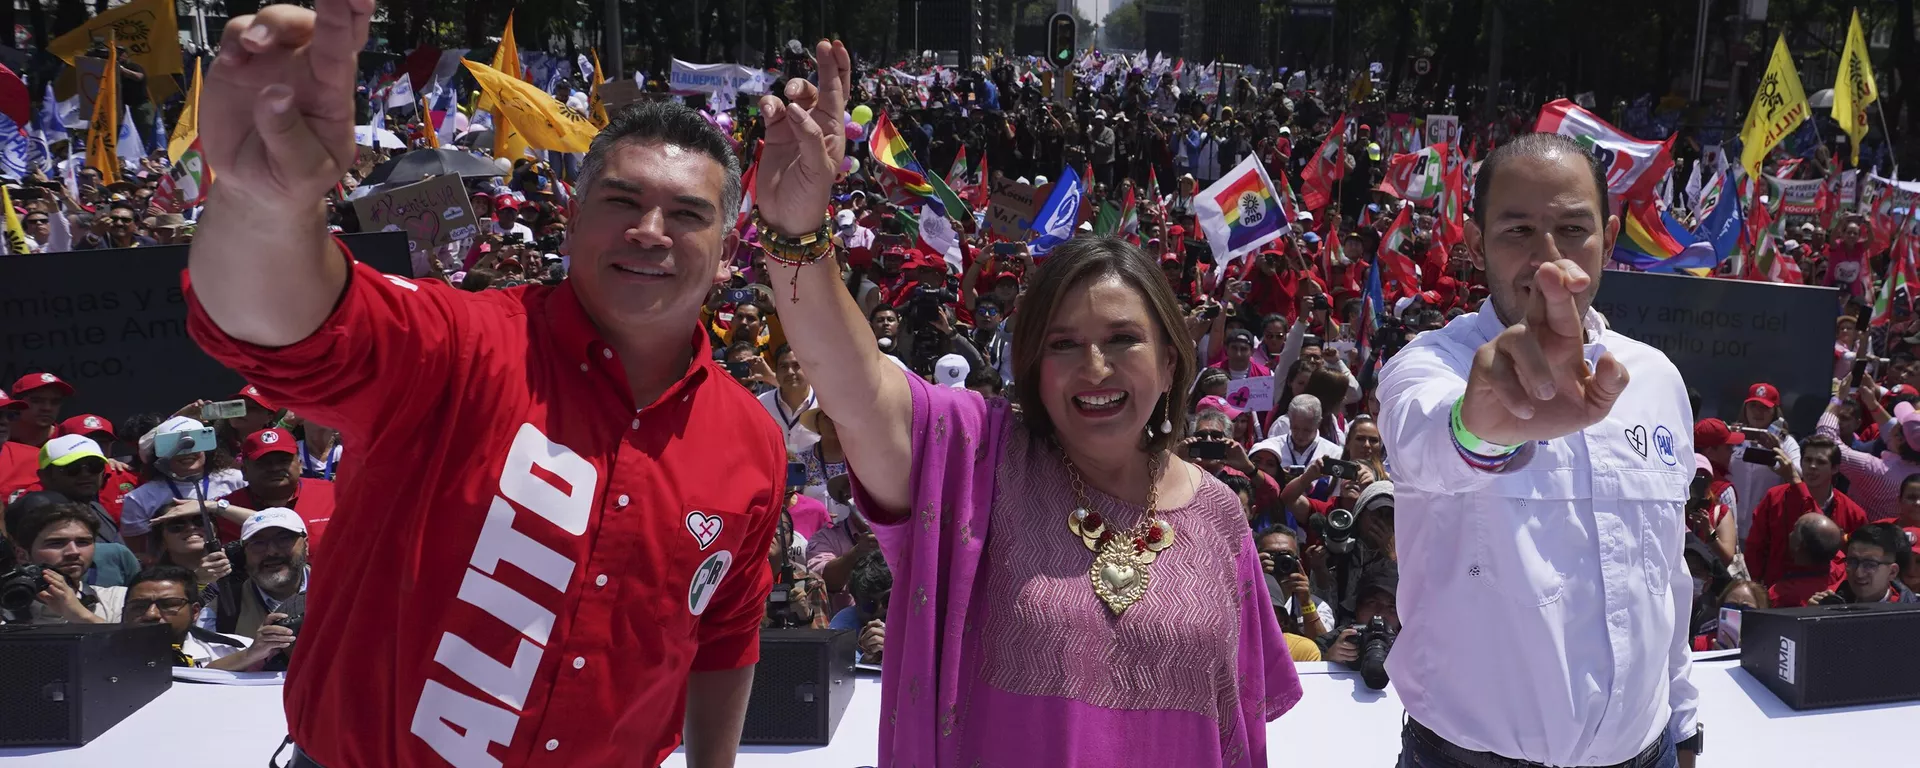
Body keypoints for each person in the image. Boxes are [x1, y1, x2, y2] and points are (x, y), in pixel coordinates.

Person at [188, 3, 785, 763]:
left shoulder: (752, 442)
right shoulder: (460, 347)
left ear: (727, 252)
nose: (651, 231)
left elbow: (724, 634)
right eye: (623, 202)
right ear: (571, 219)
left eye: (688, 214)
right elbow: (287, 333)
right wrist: (263, 209)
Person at [763, 45, 1299, 765]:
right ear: (1031, 367)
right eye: (1063, 344)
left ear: (1171, 359)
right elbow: (856, 388)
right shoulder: (974, 461)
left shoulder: (1221, 517)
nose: (1095, 368)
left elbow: (1237, 737)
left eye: (1122, 340)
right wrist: (797, 238)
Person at [1378, 134, 1699, 767]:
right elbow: (1428, 443)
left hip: (1648, 751)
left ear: (1608, 236)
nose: (1548, 260)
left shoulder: (1656, 377)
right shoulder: (1430, 368)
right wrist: (1484, 428)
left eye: (1573, 228)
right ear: (1475, 243)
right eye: (1518, 230)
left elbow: (1666, 574)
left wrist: (1684, 724)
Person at [1744, 435, 1866, 585]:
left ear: (1835, 468)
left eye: (1821, 462)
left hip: (1825, 597)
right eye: (1808, 460)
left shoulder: (1853, 513)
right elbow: (1755, 548)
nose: (1812, 466)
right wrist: (1754, 585)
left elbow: (1856, 560)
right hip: (1775, 594)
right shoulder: (1774, 497)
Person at [118, 416, 247, 552]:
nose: (187, 452)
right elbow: (140, 552)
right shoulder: (139, 498)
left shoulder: (237, 479)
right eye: (175, 446)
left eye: (194, 443)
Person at [121, 565, 274, 670]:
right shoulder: (99, 657)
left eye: (168, 604)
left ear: (195, 612)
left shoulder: (239, 650)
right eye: (139, 606)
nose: (151, 614)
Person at [3, 501, 124, 624]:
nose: (73, 552)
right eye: (56, 543)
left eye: (83, 542)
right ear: (22, 555)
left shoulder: (118, 600)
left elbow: (130, 643)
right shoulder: (4, 613)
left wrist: (81, 615)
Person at [214, 427, 339, 546]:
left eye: (283, 461)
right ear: (244, 471)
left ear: (300, 465)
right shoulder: (223, 510)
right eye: (264, 463)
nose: (275, 468)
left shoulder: (334, 495)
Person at [204, 508, 311, 639]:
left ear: (306, 546)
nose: (271, 551)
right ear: (245, 553)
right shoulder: (219, 613)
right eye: (258, 543)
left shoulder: (337, 592)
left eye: (283, 539)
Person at [1810, 522, 1919, 604]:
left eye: (1870, 564)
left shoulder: (1913, 616)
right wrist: (1813, 620)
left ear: (1892, 572)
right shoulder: (1835, 602)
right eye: (1852, 561)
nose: (1858, 573)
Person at [1767, 513, 1845, 608]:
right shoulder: (1845, 568)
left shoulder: (1781, 594)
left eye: (1794, 530)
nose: (1789, 534)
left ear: (1798, 545)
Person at [758, 344, 820, 454]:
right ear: (776, 372)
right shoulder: (760, 405)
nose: (790, 372)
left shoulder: (825, 406)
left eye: (797, 365)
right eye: (783, 367)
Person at [8, 372, 73, 449]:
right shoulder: (3, 437)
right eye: (36, 401)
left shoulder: (68, 441)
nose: (47, 408)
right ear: (17, 403)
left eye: (55, 402)